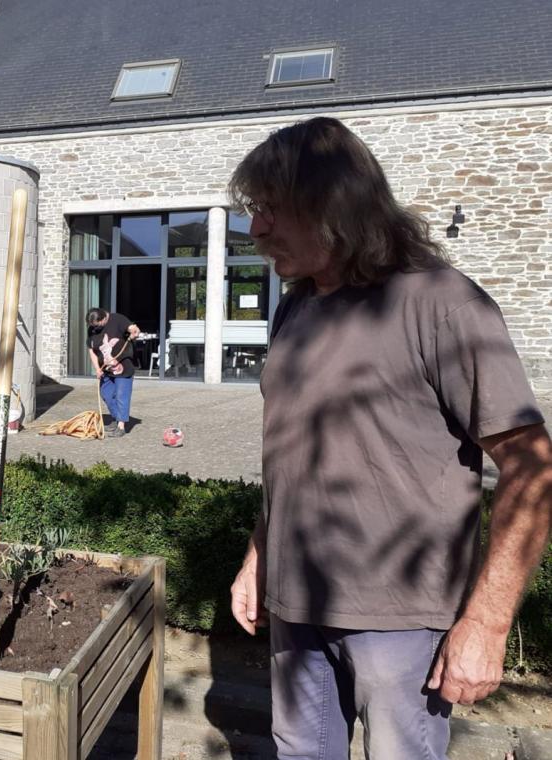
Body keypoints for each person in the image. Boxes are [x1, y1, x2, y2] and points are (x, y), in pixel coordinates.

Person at [227, 117, 552, 758]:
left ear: (330, 206)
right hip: (297, 608)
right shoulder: (296, 306)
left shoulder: (442, 304)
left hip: (401, 623)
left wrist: (486, 623)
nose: (255, 229)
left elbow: (531, 466)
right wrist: (258, 556)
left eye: (270, 209)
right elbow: (294, 450)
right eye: (254, 211)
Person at [86, 308, 140, 437]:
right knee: (107, 395)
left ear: (104, 318)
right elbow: (91, 350)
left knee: (122, 395)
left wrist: (134, 333)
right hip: (105, 370)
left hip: (123, 368)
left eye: (97, 325)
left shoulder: (118, 319)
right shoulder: (92, 329)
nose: (95, 328)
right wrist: (97, 369)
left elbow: (133, 329)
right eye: (93, 326)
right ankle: (116, 418)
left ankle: (121, 426)